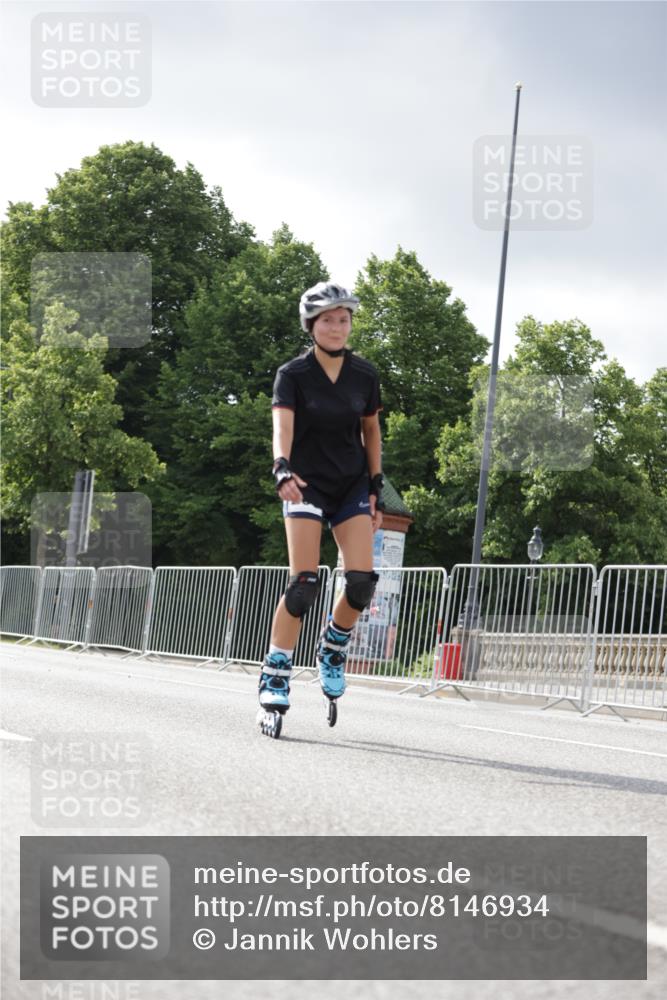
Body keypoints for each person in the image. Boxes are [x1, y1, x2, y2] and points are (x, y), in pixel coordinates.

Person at [258, 280, 385, 719]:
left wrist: (376, 484)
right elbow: (283, 427)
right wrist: (281, 466)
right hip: (306, 483)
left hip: (350, 484)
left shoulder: (365, 375)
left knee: (362, 583)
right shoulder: (292, 375)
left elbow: (371, 430)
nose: (337, 327)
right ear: (312, 325)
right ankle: (276, 670)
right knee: (304, 584)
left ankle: (333, 645)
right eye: (328, 319)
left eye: (344, 319)